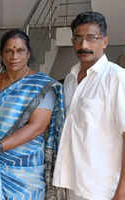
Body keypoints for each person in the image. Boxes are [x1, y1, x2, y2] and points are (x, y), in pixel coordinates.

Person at [0, 29, 65, 200]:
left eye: (20, 51)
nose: (14, 56)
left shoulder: (41, 86)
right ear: (1, 54)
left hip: (25, 169)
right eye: (8, 51)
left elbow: (37, 127)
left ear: (28, 54)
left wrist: (0, 147)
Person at [52, 11, 125, 200]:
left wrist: (122, 191)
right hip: (72, 184)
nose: (83, 45)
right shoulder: (69, 79)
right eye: (78, 38)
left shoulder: (116, 78)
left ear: (105, 41)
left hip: (103, 189)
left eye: (91, 38)